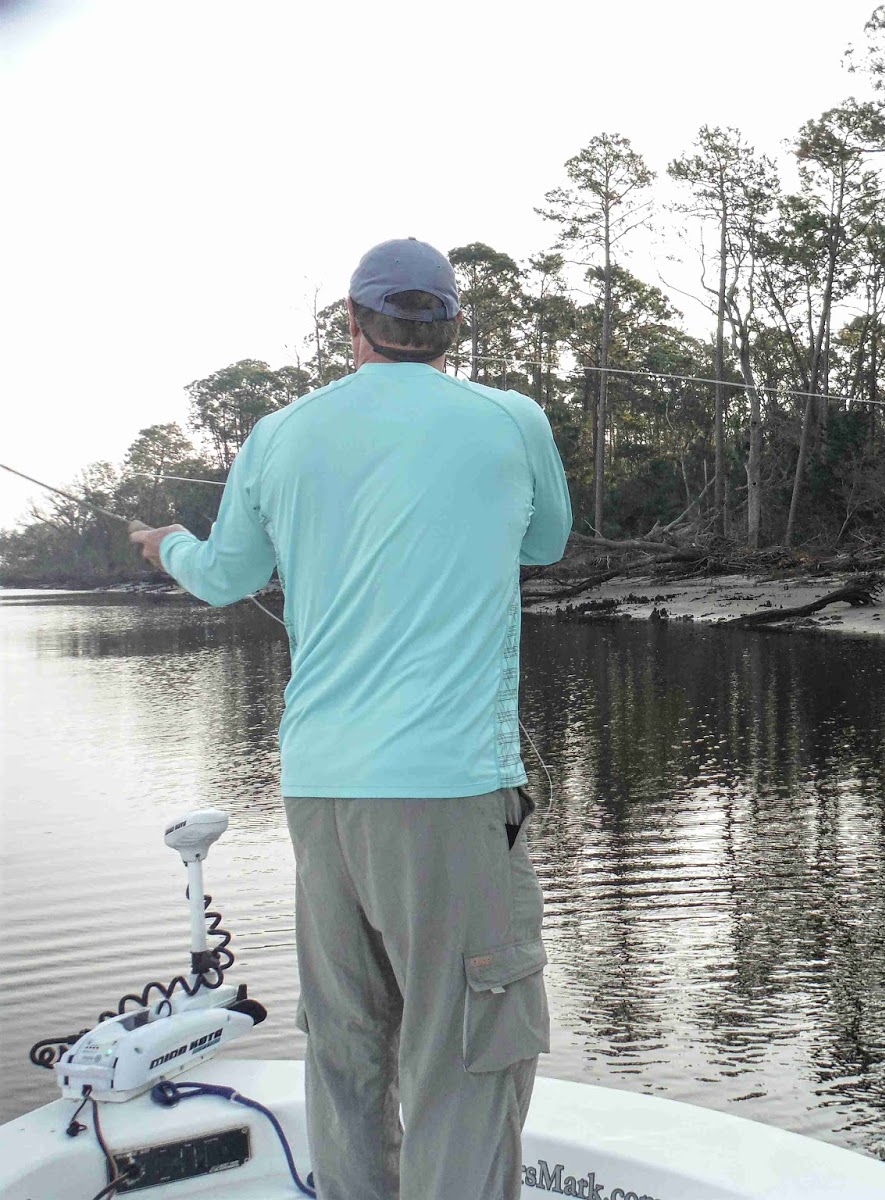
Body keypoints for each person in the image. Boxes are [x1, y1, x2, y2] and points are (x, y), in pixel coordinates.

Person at [131, 237, 572, 1200]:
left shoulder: (278, 433)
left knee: (346, 1041)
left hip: (319, 791)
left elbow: (223, 577)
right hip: (452, 791)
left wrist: (167, 542)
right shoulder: (511, 418)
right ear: (450, 324)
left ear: (351, 321)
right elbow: (549, 536)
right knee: (465, 1047)